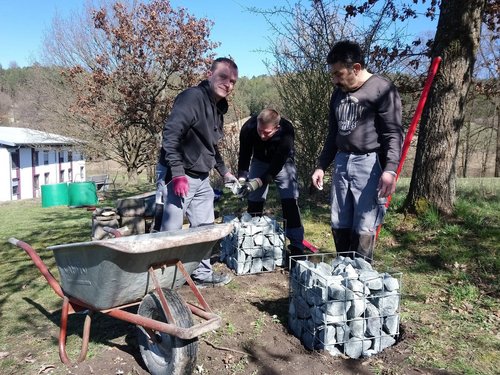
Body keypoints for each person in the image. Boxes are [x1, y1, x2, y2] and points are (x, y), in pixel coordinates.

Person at [311, 40, 403, 262]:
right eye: (332, 74)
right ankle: (343, 270)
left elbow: (393, 133)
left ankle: (360, 277)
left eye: (338, 73)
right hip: (342, 162)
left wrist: (390, 170)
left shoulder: (382, 89)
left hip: (369, 163)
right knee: (339, 220)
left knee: (364, 223)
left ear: (357, 68)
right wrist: (322, 166)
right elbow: (333, 134)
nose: (334, 79)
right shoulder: (338, 93)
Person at [157, 57, 239, 287]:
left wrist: (224, 172)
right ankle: (164, 282)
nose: (228, 84)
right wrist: (178, 173)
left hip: (202, 177)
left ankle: (201, 274)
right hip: (180, 175)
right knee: (171, 231)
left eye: (232, 81)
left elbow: (211, 145)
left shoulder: (218, 107)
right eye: (223, 77)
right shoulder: (192, 98)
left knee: (204, 228)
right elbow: (170, 136)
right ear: (209, 74)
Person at [237, 108, 305, 260]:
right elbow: (244, 154)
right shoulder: (248, 128)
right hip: (259, 160)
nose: (262, 135)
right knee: (254, 200)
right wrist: (242, 180)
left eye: (266, 133)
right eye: (259, 130)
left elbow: (277, 165)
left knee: (290, 201)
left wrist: (256, 182)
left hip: (282, 163)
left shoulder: (287, 130)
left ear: (277, 128)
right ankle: (253, 239)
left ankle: (296, 246)